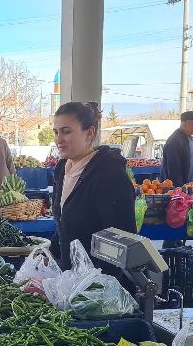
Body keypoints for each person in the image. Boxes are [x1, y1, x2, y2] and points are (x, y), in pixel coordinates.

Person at [50, 102, 136, 277]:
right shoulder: (62, 169)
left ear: (89, 133)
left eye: (66, 131)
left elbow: (121, 239)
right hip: (71, 278)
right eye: (56, 132)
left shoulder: (110, 174)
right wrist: (49, 253)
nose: (59, 139)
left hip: (99, 284)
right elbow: (64, 224)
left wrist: (94, 284)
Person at [160, 111, 193, 187]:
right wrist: (180, 192)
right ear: (185, 123)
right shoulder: (175, 141)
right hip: (180, 192)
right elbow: (174, 170)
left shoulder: (186, 138)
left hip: (189, 188)